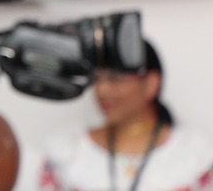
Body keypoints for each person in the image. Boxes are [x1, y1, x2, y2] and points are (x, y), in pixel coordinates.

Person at [39, 39, 213, 191]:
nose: (101, 90)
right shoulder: (68, 151)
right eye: (96, 79)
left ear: (151, 84)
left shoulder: (195, 155)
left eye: (114, 78)